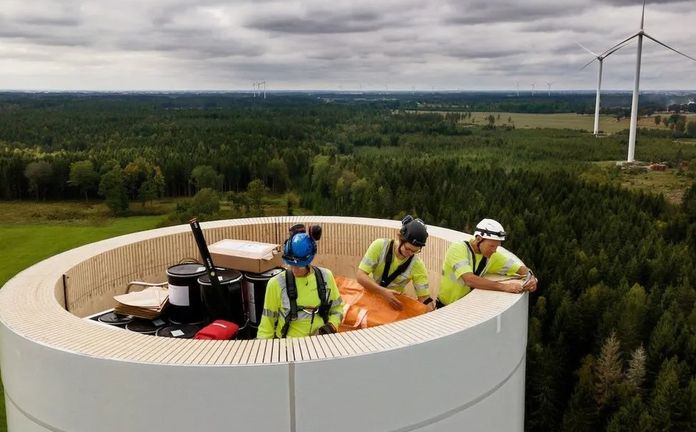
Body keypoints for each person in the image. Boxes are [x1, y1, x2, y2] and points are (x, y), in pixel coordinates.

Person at [257, 224, 344, 339]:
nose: (294, 269)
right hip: (288, 347)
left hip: (321, 344)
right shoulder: (276, 284)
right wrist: (264, 351)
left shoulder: (326, 277)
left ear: (310, 259)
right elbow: (266, 326)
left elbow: (337, 309)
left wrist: (330, 327)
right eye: (291, 264)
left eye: (299, 266)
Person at [438, 218, 538, 307]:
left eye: (497, 246)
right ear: (478, 239)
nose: (494, 250)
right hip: (446, 306)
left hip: (465, 307)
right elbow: (469, 280)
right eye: (491, 246)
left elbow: (521, 269)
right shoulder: (458, 248)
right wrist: (504, 287)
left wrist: (532, 278)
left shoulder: (491, 256)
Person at [356, 215, 435, 311]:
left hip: (393, 305)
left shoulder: (417, 265)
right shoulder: (380, 246)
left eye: (414, 251)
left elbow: (424, 298)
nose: (410, 254)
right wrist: (383, 292)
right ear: (401, 239)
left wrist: (432, 311)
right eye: (407, 249)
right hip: (370, 297)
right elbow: (360, 276)